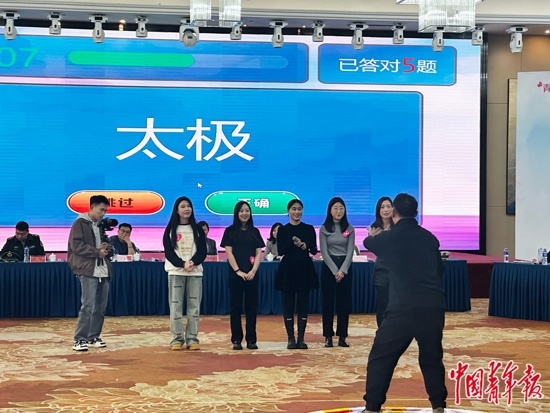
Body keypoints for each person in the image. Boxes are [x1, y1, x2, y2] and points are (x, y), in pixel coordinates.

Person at [361, 193, 447, 413]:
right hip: (432, 306)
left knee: (381, 357)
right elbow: (440, 270)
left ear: (394, 212)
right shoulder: (429, 238)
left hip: (403, 307)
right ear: (416, 213)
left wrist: (373, 234)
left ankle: (372, 407)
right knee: (432, 357)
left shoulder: (389, 238)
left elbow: (368, 242)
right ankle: (438, 405)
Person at [68, 195, 113, 352]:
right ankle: (79, 339)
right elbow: (76, 246)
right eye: (101, 210)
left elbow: (108, 248)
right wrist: (96, 252)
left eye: (105, 210)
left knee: (100, 306)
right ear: (92, 207)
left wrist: (106, 249)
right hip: (88, 269)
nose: (103, 213)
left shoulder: (100, 226)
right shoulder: (80, 223)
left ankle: (93, 336)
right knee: (87, 305)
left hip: (103, 270)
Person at [163, 196, 207, 351]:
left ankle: (192, 339)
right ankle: (177, 338)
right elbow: (169, 252)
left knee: (194, 307)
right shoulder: (170, 230)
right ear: (177, 210)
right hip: (176, 272)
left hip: (195, 273)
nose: (186, 209)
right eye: (183, 206)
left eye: (189, 206)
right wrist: (182, 264)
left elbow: (202, 251)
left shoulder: (198, 229)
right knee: (175, 306)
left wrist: (192, 262)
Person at [220, 201, 265, 350]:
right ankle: (236, 340)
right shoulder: (230, 231)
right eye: (241, 211)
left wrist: (253, 271)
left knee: (251, 308)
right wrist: (238, 271)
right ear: (236, 213)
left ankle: (251, 340)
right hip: (235, 275)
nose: (244, 213)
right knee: (236, 308)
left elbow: (259, 253)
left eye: (247, 211)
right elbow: (229, 253)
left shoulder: (255, 231)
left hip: (252, 275)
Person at [274, 199, 318, 350]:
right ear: (288, 211)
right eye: (294, 209)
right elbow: (281, 250)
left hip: (305, 268)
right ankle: (290, 338)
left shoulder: (309, 228)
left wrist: (306, 245)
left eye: (299, 209)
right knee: (288, 304)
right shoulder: (283, 230)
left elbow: (314, 250)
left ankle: (301, 338)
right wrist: (294, 243)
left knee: (303, 305)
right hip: (288, 270)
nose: (297, 212)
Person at [319, 197, 355, 348]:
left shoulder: (349, 228)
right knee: (328, 303)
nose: (338, 211)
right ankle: (328, 336)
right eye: (335, 208)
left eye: (341, 208)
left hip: (345, 267)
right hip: (329, 267)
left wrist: (343, 270)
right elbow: (324, 252)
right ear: (330, 210)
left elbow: (350, 251)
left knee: (344, 303)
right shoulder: (324, 228)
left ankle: (342, 336)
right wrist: (335, 271)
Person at [364, 196, 395, 327]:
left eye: (388, 206)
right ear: (378, 210)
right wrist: (372, 238)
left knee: (395, 305)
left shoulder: (398, 227)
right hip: (381, 271)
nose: (386, 210)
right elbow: (374, 248)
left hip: (397, 271)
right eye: (382, 207)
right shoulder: (373, 228)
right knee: (382, 304)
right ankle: (382, 331)